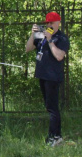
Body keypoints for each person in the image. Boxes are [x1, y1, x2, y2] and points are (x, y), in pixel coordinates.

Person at [25, 11, 69, 146]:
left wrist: (50, 39)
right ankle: (56, 136)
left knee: (53, 108)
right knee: (49, 107)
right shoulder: (41, 34)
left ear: (58, 23)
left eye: (52, 23)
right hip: (42, 75)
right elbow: (28, 48)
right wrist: (33, 34)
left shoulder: (62, 38)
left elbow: (59, 56)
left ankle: (54, 137)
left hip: (53, 76)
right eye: (47, 23)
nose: (49, 25)